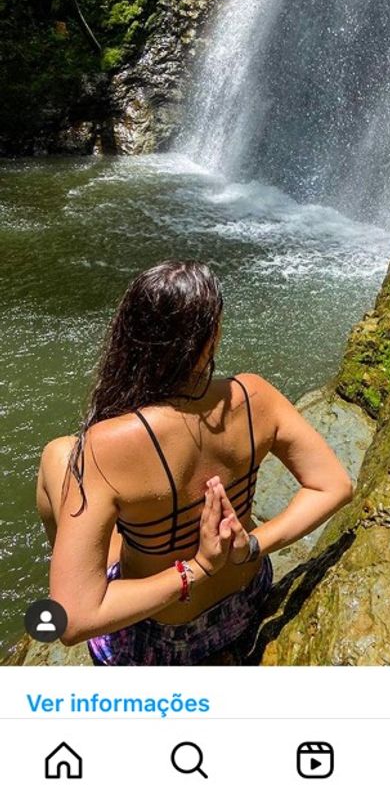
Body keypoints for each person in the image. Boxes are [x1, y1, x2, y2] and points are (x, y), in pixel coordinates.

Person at [38, 259, 353, 665]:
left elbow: (74, 620)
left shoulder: (106, 445)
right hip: (246, 599)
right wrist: (252, 546)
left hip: (157, 639)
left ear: (131, 336)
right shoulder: (255, 396)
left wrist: (198, 568)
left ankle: (75, 564)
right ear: (212, 335)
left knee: (57, 455)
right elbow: (335, 486)